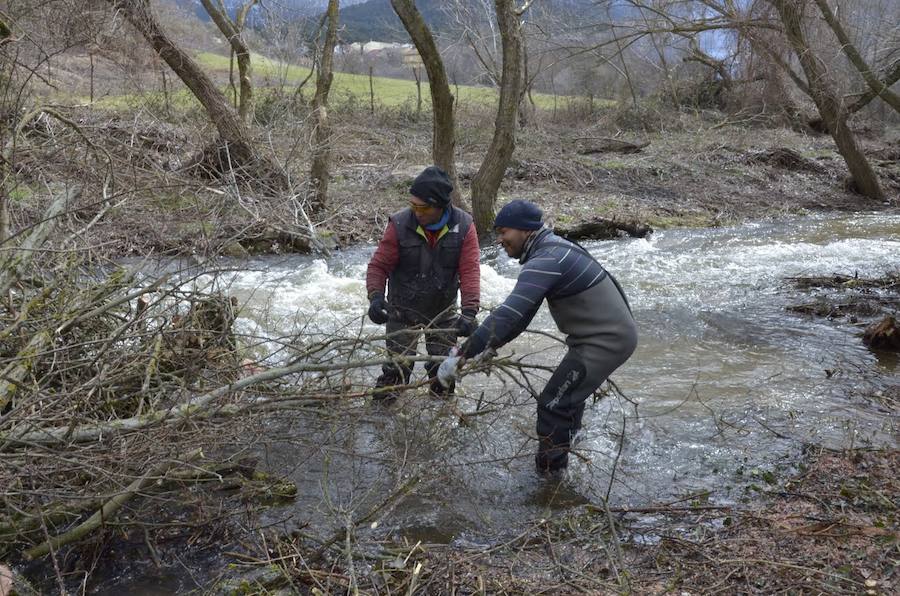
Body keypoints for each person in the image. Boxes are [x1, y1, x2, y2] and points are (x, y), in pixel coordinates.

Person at [442, 199, 637, 474]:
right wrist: (489, 346)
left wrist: (461, 354)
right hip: (601, 338)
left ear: (524, 230)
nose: (500, 240)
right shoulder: (550, 249)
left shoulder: (546, 259)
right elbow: (521, 318)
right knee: (565, 401)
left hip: (605, 341)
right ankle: (565, 469)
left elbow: (509, 313)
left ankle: (549, 479)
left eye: (503, 232)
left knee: (552, 405)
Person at [366, 165, 481, 401]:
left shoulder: (465, 226)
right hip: (401, 309)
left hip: (443, 310)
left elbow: (470, 271)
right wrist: (376, 297)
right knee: (395, 373)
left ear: (440, 206)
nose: (417, 212)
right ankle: (380, 423)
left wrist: (469, 311)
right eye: (413, 205)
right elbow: (379, 266)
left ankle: (439, 424)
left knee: (443, 376)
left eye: (423, 207)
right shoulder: (398, 224)